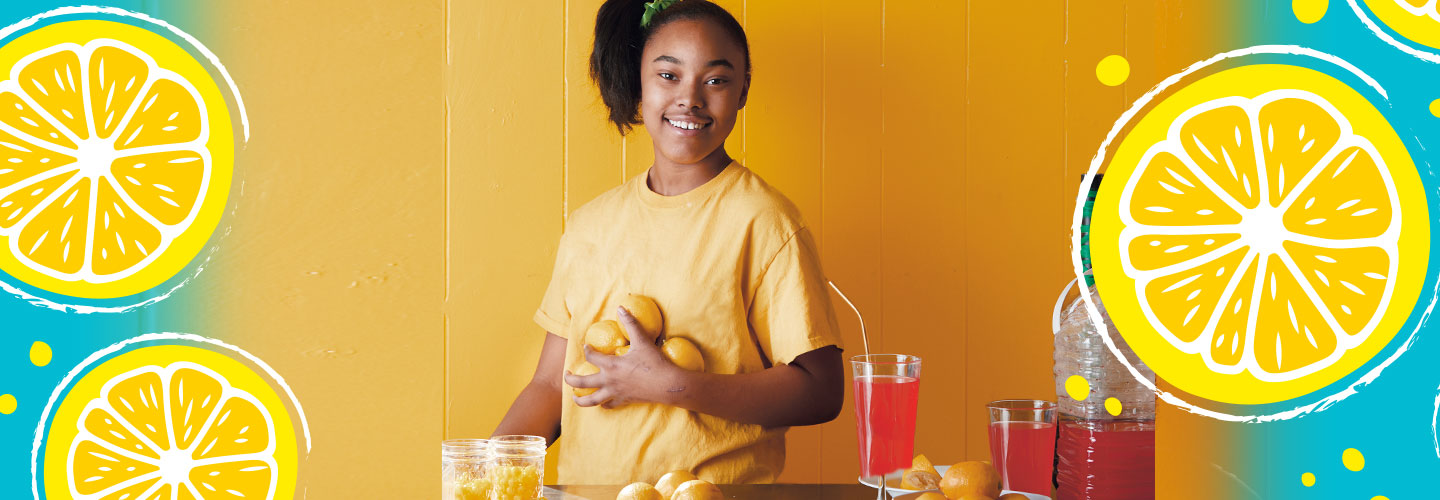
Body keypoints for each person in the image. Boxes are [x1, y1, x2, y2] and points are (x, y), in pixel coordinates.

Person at [492, 0, 845, 485]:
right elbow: (551, 384)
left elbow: (821, 391)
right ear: (640, 82)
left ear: (743, 91)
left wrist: (673, 385)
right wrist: (487, 472)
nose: (690, 99)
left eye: (716, 80)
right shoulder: (589, 225)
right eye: (668, 75)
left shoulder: (764, 221)